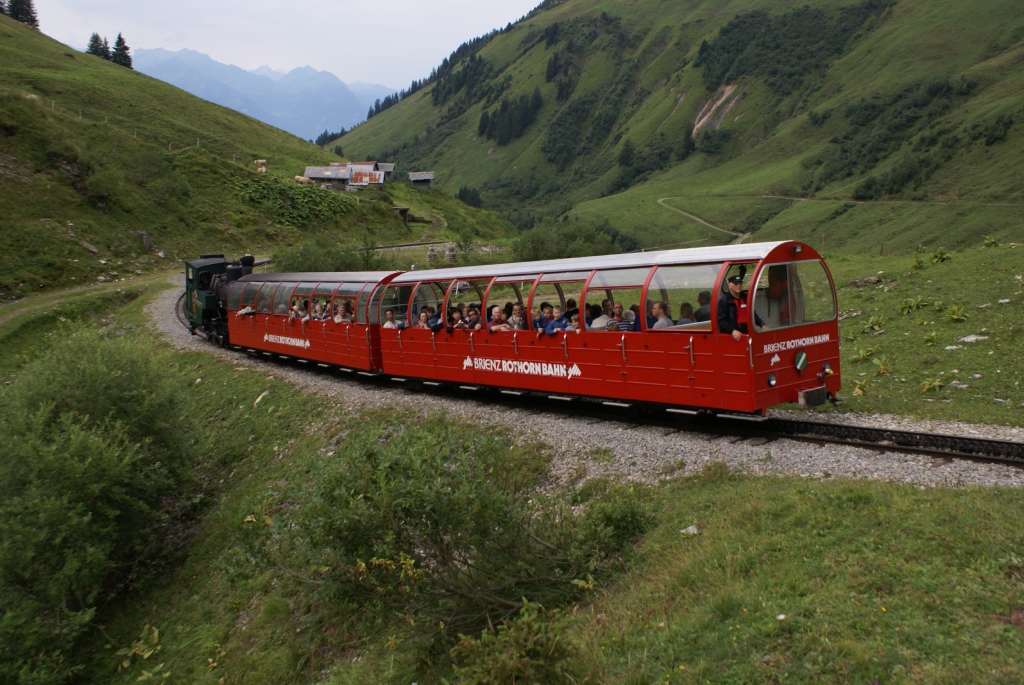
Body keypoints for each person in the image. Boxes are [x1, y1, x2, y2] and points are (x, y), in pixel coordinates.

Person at [718, 274, 765, 341]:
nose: (738, 285)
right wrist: (732, 330)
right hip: (734, 335)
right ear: (729, 285)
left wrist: (762, 324)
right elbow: (721, 321)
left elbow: (752, 314)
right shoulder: (725, 301)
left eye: (740, 283)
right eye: (736, 283)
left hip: (747, 330)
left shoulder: (745, 298)